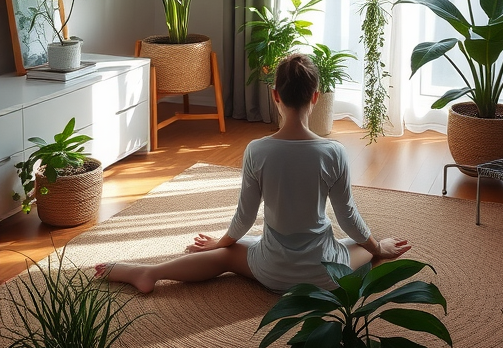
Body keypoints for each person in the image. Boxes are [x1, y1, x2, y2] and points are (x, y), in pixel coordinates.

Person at [95, 53, 410, 294]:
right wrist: (378, 247)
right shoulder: (334, 152)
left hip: (271, 270)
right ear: (315, 97)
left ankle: (150, 273)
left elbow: (244, 219)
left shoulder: (257, 151)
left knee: (228, 255)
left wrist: (222, 243)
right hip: (323, 274)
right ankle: (372, 250)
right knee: (359, 247)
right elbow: (348, 217)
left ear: (275, 95)